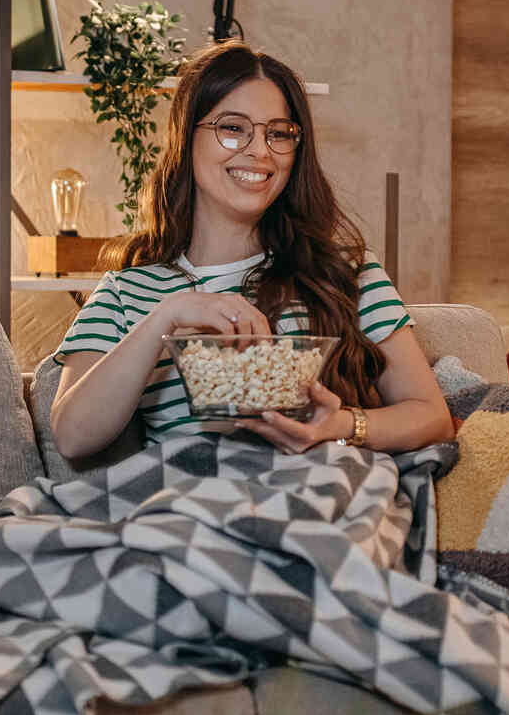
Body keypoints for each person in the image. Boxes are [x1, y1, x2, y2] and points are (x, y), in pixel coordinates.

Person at [50, 41, 453, 462]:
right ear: (186, 138)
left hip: (314, 497)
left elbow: (433, 416)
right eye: (232, 127)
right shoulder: (124, 292)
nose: (260, 151)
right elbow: (72, 437)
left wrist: (342, 426)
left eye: (278, 133)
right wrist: (164, 319)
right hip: (182, 508)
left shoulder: (348, 275)